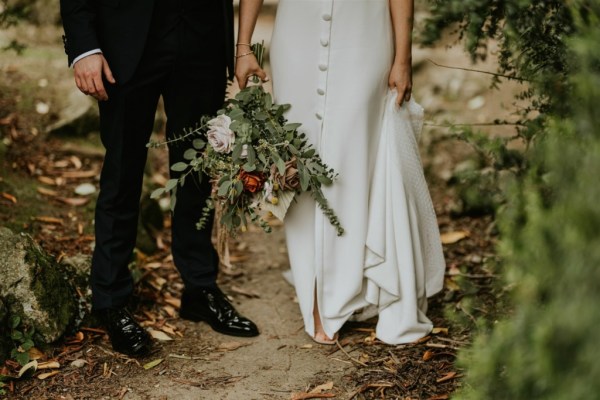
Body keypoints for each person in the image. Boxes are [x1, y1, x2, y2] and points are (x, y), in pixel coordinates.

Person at [60, 0, 268, 356]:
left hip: (202, 37)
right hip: (126, 41)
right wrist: (84, 45)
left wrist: (240, 46)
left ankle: (199, 287)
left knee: (196, 170)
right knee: (122, 171)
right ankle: (110, 299)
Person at [238, 0, 446, 345]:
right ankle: (317, 295)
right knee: (298, 164)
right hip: (297, 35)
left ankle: (351, 282)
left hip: (365, 34)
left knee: (353, 157)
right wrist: (243, 47)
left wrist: (403, 58)